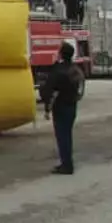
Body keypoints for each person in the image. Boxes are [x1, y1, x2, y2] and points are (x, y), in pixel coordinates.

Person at [40, 42, 84, 175]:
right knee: (67, 136)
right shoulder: (75, 69)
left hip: (60, 107)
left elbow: (49, 91)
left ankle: (66, 165)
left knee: (62, 137)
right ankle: (67, 162)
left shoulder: (58, 71)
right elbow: (80, 90)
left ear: (61, 54)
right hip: (72, 106)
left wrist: (47, 108)